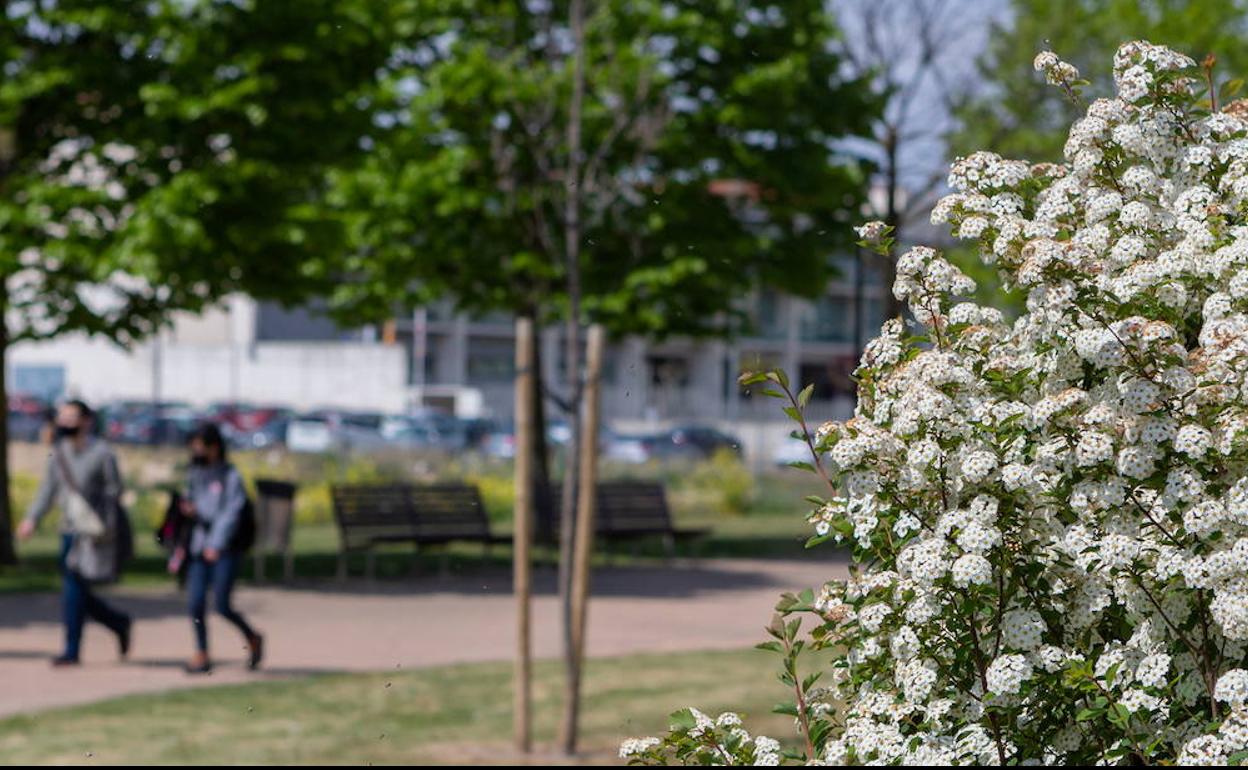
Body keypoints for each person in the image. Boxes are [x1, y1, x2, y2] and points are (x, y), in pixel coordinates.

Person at [16, 400, 132, 667]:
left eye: (70, 417)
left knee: (75, 589)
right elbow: (48, 489)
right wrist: (31, 518)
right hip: (69, 531)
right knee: (74, 589)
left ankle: (84, 642)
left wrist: (99, 512)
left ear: (86, 421)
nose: (64, 422)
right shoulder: (59, 453)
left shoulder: (103, 453)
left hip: (92, 533)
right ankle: (107, 628)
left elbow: (115, 490)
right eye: (62, 417)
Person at [182, 423, 263, 674]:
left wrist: (216, 544)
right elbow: (190, 499)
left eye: (200, 446)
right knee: (195, 603)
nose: (196, 451)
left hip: (225, 549)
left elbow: (230, 514)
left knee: (222, 605)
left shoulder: (230, 476)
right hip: (198, 547)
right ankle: (202, 653)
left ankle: (252, 637)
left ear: (214, 447)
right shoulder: (194, 473)